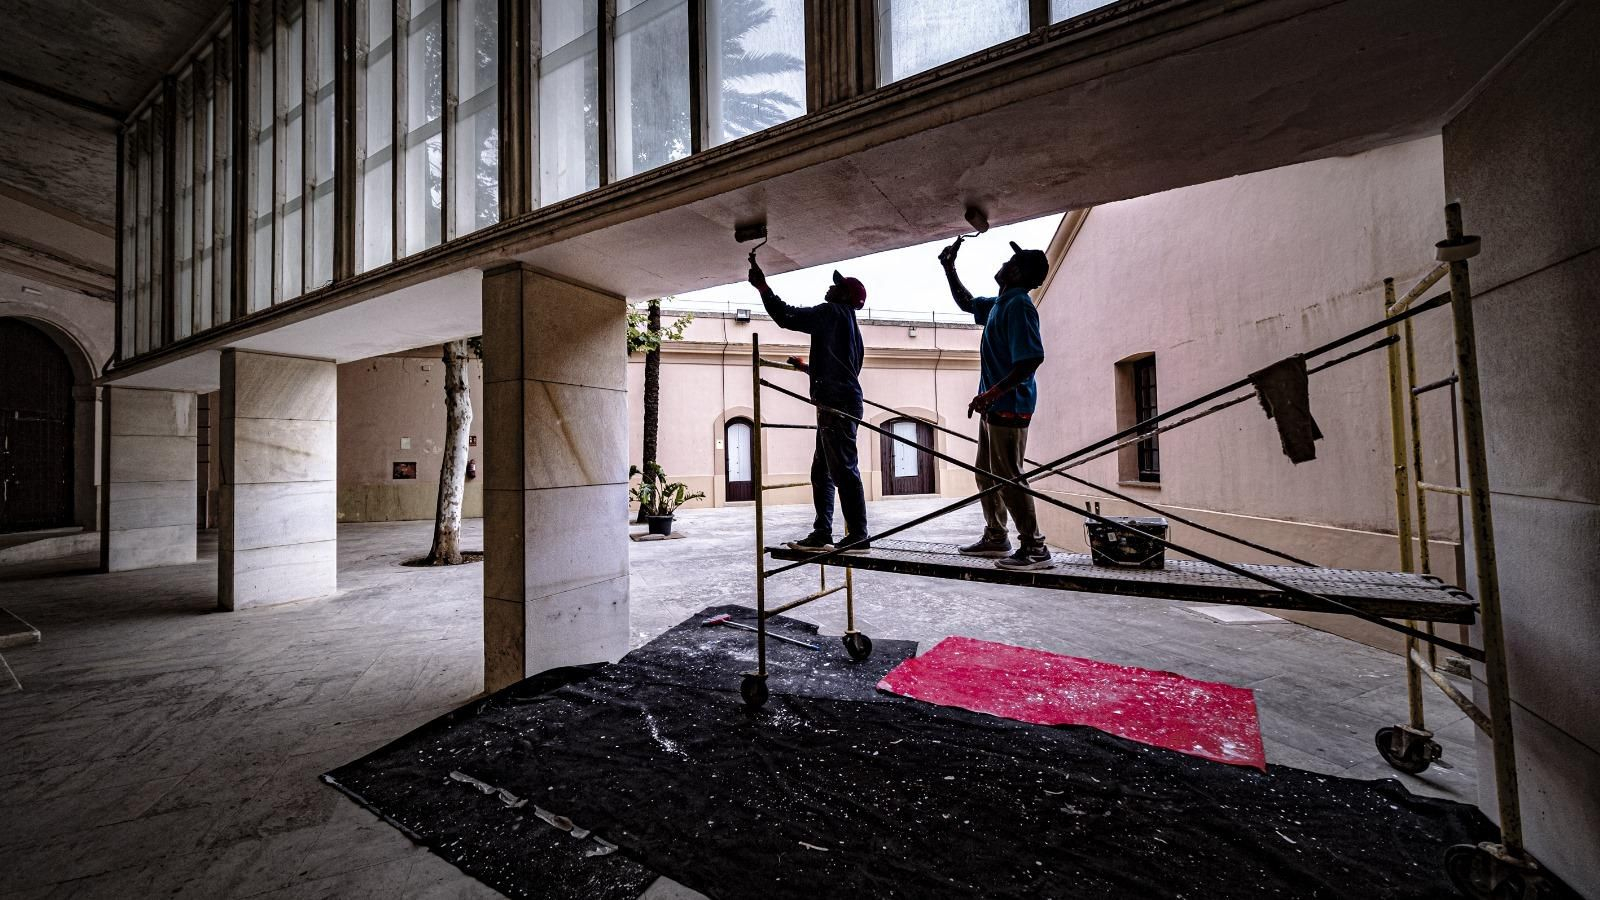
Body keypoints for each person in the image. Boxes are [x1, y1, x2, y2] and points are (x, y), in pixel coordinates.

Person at [939, 238, 1053, 570]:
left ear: (1016, 272)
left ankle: (1034, 548)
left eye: (1010, 262)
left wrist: (991, 394)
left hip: (1009, 405)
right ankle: (996, 537)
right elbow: (966, 302)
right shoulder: (1000, 304)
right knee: (986, 474)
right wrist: (949, 267)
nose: (1003, 264)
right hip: (994, 405)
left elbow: (1030, 360)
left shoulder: (1019, 305)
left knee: (1008, 476)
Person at [747, 256, 871, 554]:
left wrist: (762, 287)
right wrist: (809, 368)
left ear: (846, 296)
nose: (830, 288)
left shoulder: (831, 312)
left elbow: (786, 316)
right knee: (823, 471)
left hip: (836, 406)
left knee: (843, 470)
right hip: (841, 401)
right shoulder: (851, 327)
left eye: (837, 286)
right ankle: (822, 533)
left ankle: (859, 536)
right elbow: (846, 368)